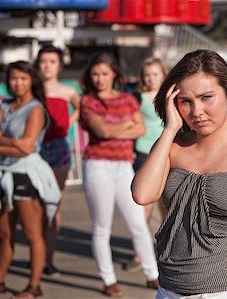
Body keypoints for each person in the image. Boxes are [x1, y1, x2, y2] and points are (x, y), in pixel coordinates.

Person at [132, 49, 227, 299]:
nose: (197, 111)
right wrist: (170, 130)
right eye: (186, 101)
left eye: (206, 97)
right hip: (169, 290)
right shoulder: (172, 146)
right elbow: (142, 194)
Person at [0, 61, 60, 299]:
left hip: (27, 175)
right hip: (5, 176)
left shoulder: (35, 109)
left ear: (31, 80)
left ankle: (34, 286)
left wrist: (7, 142)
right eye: (14, 78)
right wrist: (14, 143)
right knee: (4, 233)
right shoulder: (5, 105)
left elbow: (26, 147)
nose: (18, 83)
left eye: (23, 78)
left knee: (33, 234)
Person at [79, 52, 159, 297]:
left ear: (114, 73)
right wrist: (124, 126)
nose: (100, 78)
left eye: (104, 73)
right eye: (95, 74)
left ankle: (152, 274)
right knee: (102, 227)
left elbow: (141, 128)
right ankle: (108, 279)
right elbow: (101, 130)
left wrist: (114, 129)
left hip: (124, 165)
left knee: (138, 224)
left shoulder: (127, 99)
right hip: (97, 166)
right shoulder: (87, 101)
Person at [35, 44, 80, 277]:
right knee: (34, 206)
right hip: (35, 149)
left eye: (52, 61)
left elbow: (82, 107)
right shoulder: (32, 89)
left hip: (59, 149)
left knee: (54, 205)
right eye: (43, 61)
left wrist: (69, 122)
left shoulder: (67, 90)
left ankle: (47, 260)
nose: (47, 66)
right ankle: (38, 257)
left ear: (59, 65)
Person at [133, 57, 168, 221]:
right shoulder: (137, 97)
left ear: (163, 74)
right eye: (147, 75)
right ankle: (143, 245)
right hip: (144, 151)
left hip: (167, 151)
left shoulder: (171, 95)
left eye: (155, 74)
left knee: (166, 203)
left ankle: (166, 244)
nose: (151, 78)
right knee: (144, 203)